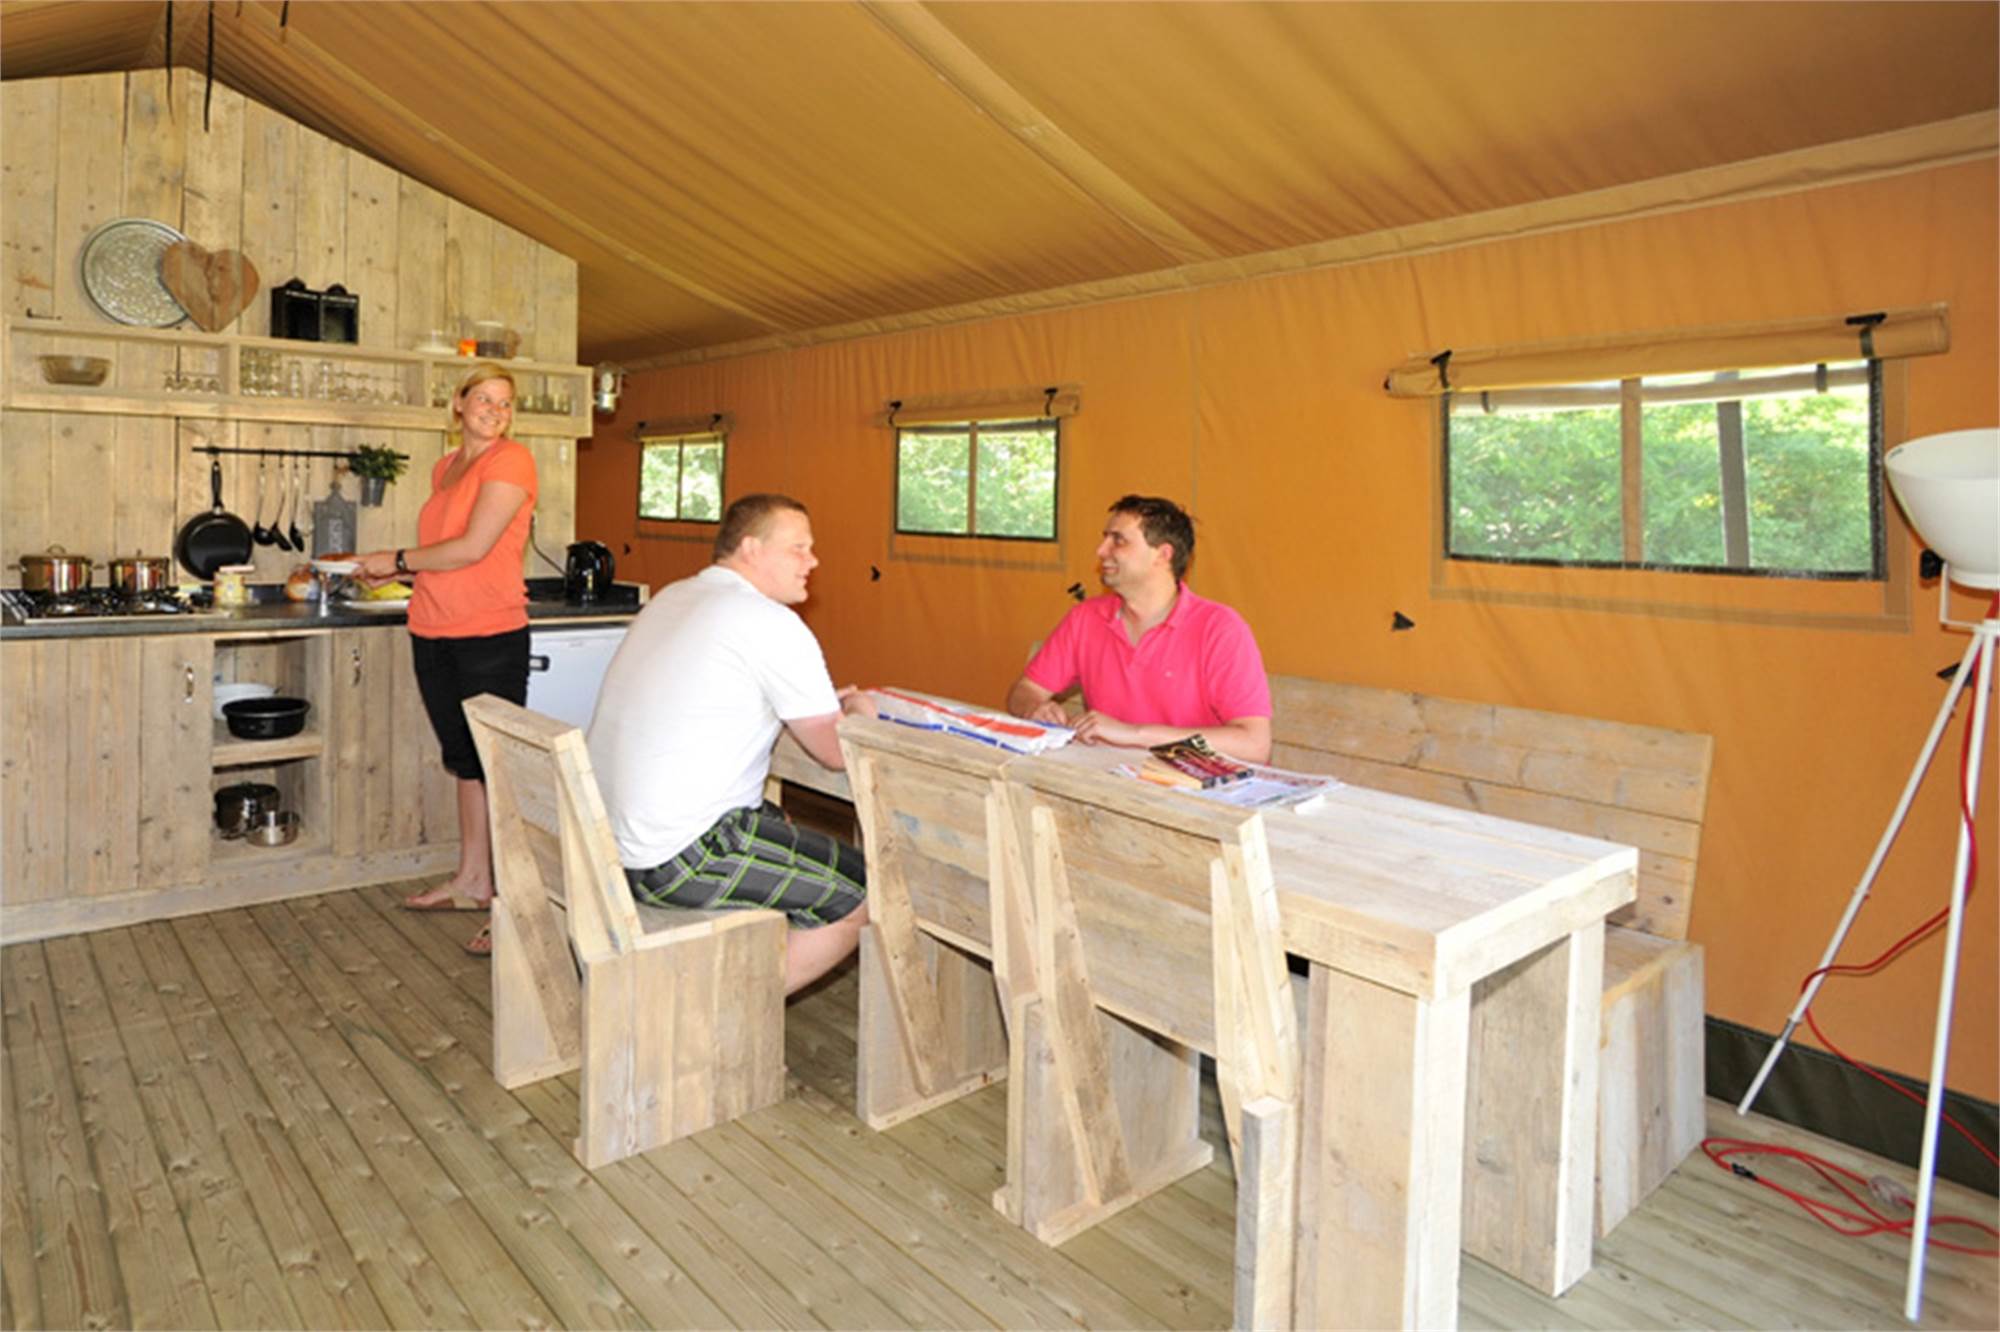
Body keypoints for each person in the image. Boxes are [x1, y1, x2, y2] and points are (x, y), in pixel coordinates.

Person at [587, 493, 875, 995]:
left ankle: (734, 970)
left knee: (781, 823)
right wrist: (859, 713)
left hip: (600, 843)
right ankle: (726, 1013)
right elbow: (835, 752)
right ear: (751, 548)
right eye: (798, 548)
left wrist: (813, 704)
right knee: (865, 891)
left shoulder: (674, 597)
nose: (812, 561)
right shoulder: (769, 621)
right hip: (669, 858)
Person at [355, 363, 536, 952]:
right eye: (483, 399)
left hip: (488, 633)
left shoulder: (511, 461)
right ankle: (473, 881)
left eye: (504, 402)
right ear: (458, 403)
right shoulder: (446, 466)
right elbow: (444, 554)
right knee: (465, 762)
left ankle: (517, 909)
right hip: (433, 628)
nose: (494, 411)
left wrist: (395, 559)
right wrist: (399, 573)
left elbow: (473, 548)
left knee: (496, 769)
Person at [1006, 493, 1272, 762]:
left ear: (1163, 555)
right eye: (1105, 538)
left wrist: (1135, 734)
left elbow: (1255, 746)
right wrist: (1034, 708)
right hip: (1108, 777)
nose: (1101, 551)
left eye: (1118, 540)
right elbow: (1025, 691)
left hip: (1190, 783)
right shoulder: (1085, 618)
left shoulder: (1220, 628)